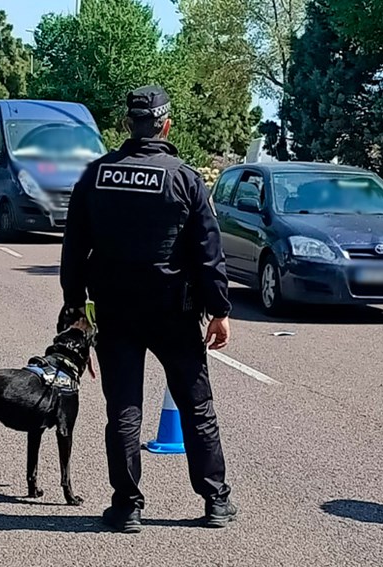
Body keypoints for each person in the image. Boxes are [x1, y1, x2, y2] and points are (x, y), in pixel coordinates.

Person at [59, 85, 236, 534]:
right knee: (196, 406)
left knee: (124, 409)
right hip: (174, 311)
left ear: (128, 125)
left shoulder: (96, 175)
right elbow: (208, 251)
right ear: (166, 125)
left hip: (115, 311)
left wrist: (74, 304)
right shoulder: (184, 178)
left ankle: (127, 506)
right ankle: (215, 501)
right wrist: (219, 309)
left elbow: (74, 247)